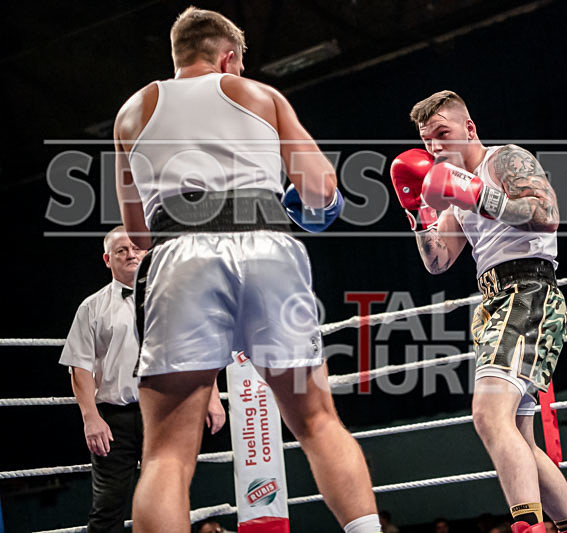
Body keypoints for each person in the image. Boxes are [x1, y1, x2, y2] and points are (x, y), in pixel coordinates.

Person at [113, 7, 378, 533]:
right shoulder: (258, 95)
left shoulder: (132, 112)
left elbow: (138, 236)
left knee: (166, 454)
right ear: (228, 57)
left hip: (180, 255)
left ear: (178, 54)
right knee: (318, 421)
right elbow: (323, 192)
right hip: (268, 248)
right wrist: (303, 204)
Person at [390, 90, 567, 533]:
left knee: (486, 414)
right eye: (427, 142)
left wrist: (480, 195)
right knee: (517, 438)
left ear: (469, 128)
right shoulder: (449, 185)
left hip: (529, 291)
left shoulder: (504, 160)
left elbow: (547, 213)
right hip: (494, 302)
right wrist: (417, 212)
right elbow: (438, 261)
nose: (435, 148)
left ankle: (528, 528)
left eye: (442, 134)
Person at [59, 226, 225, 532]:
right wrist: (90, 418)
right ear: (108, 259)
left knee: (170, 497)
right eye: (121, 250)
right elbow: (79, 367)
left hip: (167, 414)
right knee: (108, 505)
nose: (131, 254)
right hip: (115, 418)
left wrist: (212, 395)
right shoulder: (92, 307)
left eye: (137, 248)